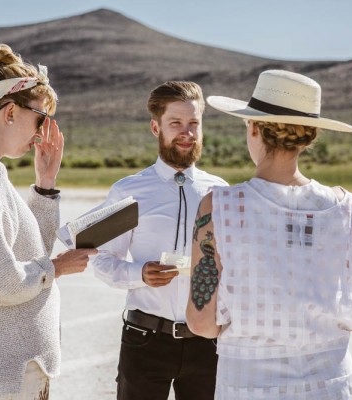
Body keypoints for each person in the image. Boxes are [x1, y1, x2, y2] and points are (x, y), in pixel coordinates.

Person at [186, 70, 352, 400]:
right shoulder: (349, 210)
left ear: (253, 127)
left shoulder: (220, 206)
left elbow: (202, 323)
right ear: (308, 137)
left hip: (247, 384)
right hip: (331, 384)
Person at [0, 43, 97, 400]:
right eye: (41, 119)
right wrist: (56, 267)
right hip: (5, 378)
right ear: (10, 111)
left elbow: (26, 253)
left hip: (4, 373)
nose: (43, 133)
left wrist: (44, 185)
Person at [90, 81, 228, 400]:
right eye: (176, 123)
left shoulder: (220, 191)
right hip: (144, 341)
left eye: (193, 123)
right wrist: (139, 274)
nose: (187, 132)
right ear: (156, 127)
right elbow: (101, 257)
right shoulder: (129, 191)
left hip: (207, 342)